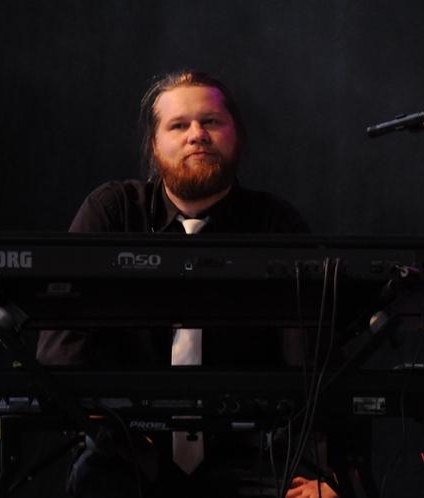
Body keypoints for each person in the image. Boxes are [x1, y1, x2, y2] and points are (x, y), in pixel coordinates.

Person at [37, 70, 338, 498]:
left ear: (237, 135)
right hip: (129, 453)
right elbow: (61, 351)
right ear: (154, 145)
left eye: (211, 121)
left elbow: (312, 364)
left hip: (249, 458)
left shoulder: (276, 224)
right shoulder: (113, 214)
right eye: (179, 125)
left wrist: (322, 473)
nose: (197, 134)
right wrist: (114, 431)